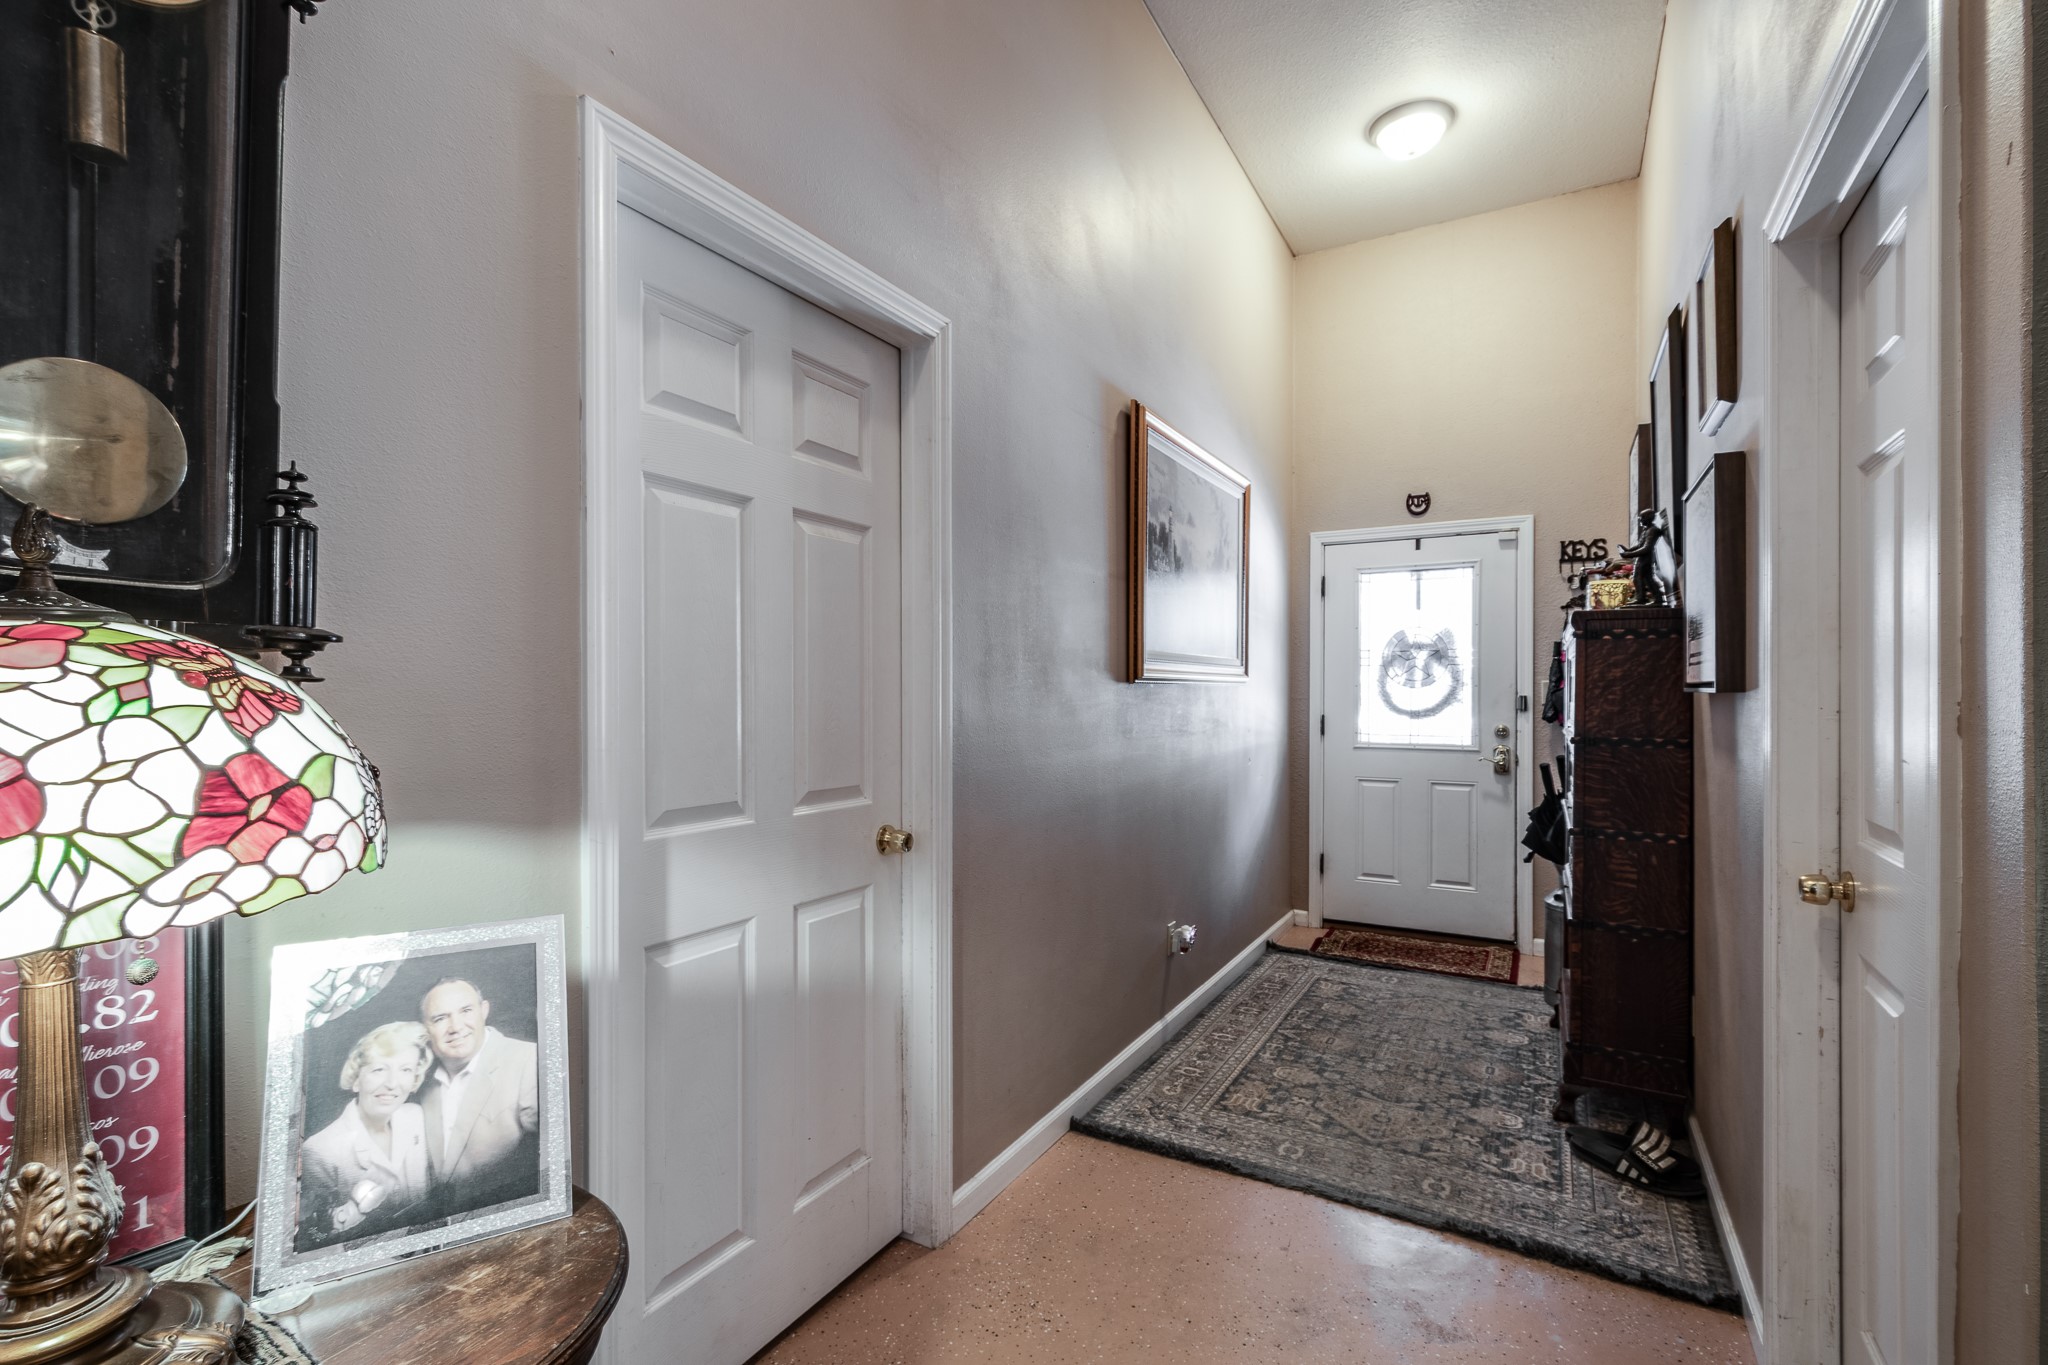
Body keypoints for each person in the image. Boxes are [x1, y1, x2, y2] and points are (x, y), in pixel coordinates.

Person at [297, 1021, 433, 1251]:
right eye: (379, 1069)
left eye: (405, 1070)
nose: (392, 1084)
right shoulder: (320, 1150)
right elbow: (316, 1238)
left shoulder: (415, 1117)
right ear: (356, 1079)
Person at [416, 976, 540, 1211]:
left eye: (466, 1011)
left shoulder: (529, 1060)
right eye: (440, 1018)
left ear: (484, 1011)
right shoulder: (420, 1083)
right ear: (426, 1029)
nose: (455, 1027)